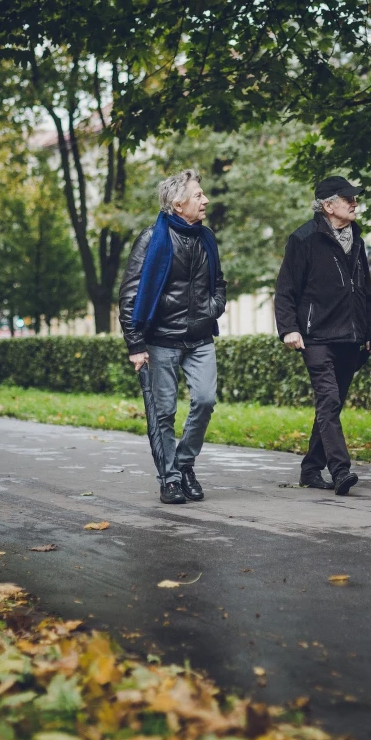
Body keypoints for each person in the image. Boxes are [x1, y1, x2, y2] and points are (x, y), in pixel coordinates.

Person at [119, 169, 226, 505]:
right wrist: (136, 344)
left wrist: (213, 308)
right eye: (198, 195)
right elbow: (130, 294)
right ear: (179, 204)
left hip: (200, 337)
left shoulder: (207, 238)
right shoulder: (152, 239)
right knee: (163, 412)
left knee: (205, 400)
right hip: (161, 339)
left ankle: (184, 464)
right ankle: (169, 478)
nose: (205, 200)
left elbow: (219, 282)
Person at [274, 175, 371, 495]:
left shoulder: (357, 239)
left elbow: (365, 289)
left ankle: (310, 469)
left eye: (355, 199)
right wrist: (288, 329)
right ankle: (340, 469)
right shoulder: (303, 239)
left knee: (331, 406)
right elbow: (285, 289)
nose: (355, 204)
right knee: (329, 400)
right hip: (316, 336)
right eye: (348, 199)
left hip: (350, 337)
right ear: (328, 206)